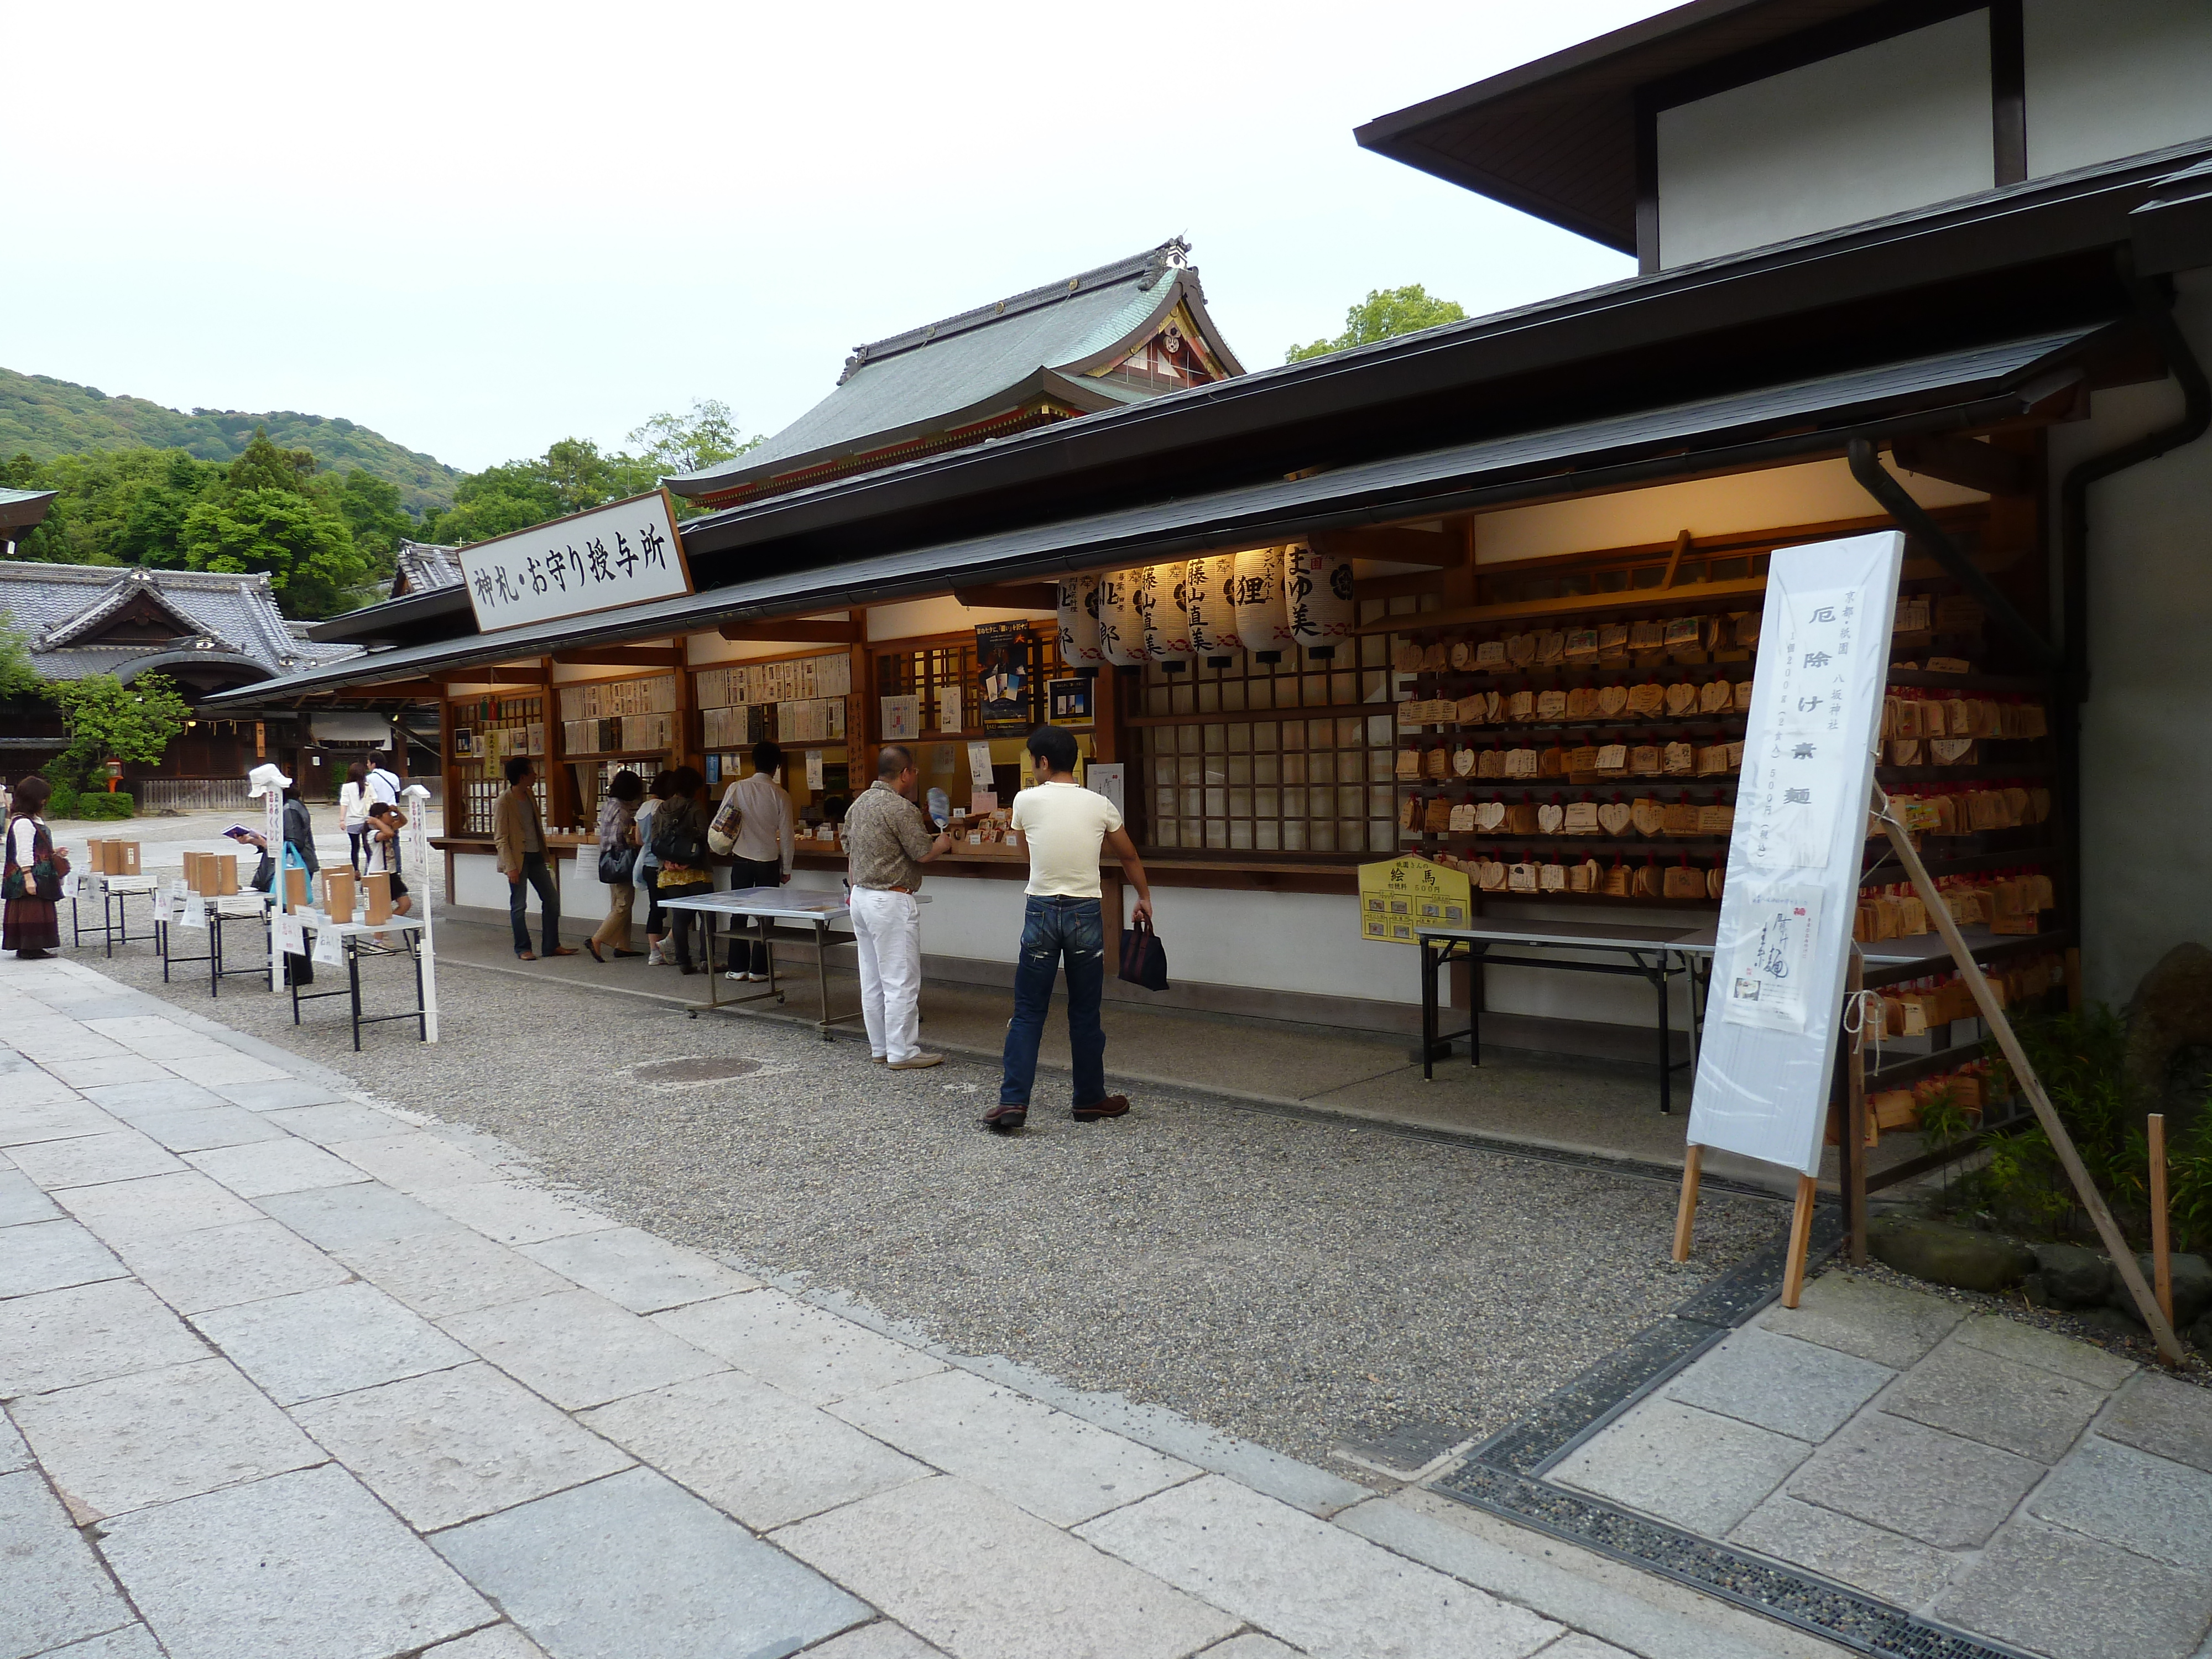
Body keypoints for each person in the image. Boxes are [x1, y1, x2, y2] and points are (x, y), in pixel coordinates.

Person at [983, 725, 1154, 1133]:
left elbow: (1026, 852)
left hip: (1041, 910)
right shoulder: (1100, 804)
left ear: (1043, 762)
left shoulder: (1024, 800)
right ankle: (1090, 1098)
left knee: (1028, 1011)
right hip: (1085, 912)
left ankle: (1014, 1102)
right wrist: (1144, 898)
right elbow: (1129, 856)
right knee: (1084, 1011)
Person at [841, 744, 956, 1069]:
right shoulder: (900, 808)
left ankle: (881, 1047)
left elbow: (848, 849)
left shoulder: (859, 804)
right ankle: (903, 1052)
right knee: (901, 980)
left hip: (860, 897)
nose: (915, 776)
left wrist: (855, 886)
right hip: (891, 898)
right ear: (905, 773)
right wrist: (942, 844)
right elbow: (922, 853)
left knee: (873, 979)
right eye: (914, 771)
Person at [716, 740, 796, 982]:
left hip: (741, 857)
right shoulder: (780, 794)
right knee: (766, 915)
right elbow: (787, 835)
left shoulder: (736, 788)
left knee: (737, 912)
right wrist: (787, 867)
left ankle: (737, 968)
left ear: (753, 763)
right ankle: (759, 970)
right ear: (777, 766)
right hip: (768, 860)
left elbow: (722, 819)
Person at [494, 757, 573, 961]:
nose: (535, 775)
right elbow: (501, 838)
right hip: (518, 860)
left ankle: (551, 945)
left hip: (537, 854)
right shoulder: (504, 801)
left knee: (552, 899)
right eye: (532, 771)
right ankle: (523, 948)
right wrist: (510, 866)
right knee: (519, 905)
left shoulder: (530, 795)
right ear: (522, 777)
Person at [649, 766, 715, 974]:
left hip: (670, 872)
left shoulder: (662, 808)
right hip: (695, 868)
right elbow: (706, 836)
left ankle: (683, 961)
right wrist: (688, 860)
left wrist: (667, 862)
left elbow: (655, 839)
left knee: (680, 916)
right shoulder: (696, 807)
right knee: (708, 915)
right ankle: (707, 960)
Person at [588, 769, 647, 962]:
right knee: (623, 904)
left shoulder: (608, 805)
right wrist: (631, 844)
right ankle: (598, 940)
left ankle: (623, 945)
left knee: (618, 902)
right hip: (619, 860)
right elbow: (617, 838)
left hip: (607, 859)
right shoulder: (622, 810)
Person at [3, 776, 61, 960]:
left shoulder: (29, 819)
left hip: (39, 873)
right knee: (32, 909)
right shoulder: (24, 822)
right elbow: (24, 852)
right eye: (42, 798)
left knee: (34, 909)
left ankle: (32, 947)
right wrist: (28, 877)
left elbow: (35, 846)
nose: (44, 802)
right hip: (31, 874)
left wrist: (53, 852)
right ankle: (30, 947)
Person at [635, 770, 674, 965]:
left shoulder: (642, 807)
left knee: (655, 908)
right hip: (662, 864)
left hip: (647, 864)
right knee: (680, 905)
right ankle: (667, 944)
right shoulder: (662, 807)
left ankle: (654, 952)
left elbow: (638, 839)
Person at [362, 802, 415, 917]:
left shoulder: (387, 827)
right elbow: (389, 834)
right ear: (379, 817)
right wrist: (377, 822)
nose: (392, 817)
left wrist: (397, 812)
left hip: (392, 873)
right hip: (377, 875)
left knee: (405, 904)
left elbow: (403, 822)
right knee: (380, 911)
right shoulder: (373, 833)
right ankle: (381, 931)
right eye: (388, 814)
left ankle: (388, 923)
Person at [339, 761, 371, 874]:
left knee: (355, 847)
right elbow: (374, 801)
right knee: (367, 846)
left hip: (352, 820)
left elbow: (344, 804)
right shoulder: (368, 786)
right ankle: (370, 867)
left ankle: (356, 870)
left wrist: (342, 820)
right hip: (367, 820)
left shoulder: (347, 787)